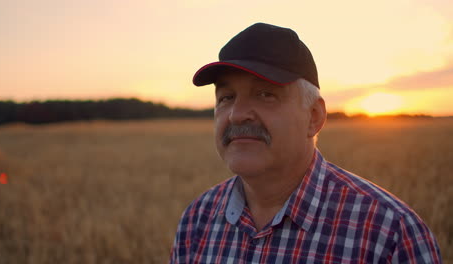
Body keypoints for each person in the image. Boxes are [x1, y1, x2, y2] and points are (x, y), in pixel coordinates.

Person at [170, 23, 442, 263]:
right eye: (226, 97)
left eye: (265, 94)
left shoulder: (389, 234)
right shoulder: (197, 221)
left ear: (313, 117)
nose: (237, 113)